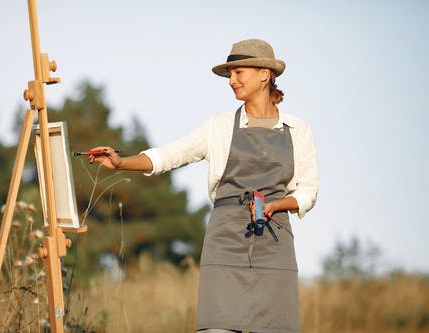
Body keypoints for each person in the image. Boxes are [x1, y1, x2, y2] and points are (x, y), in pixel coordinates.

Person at [89, 39, 318, 333]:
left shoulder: (298, 130)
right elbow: (171, 154)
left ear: (264, 73)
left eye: (238, 72)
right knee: (217, 327)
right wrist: (122, 164)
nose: (232, 80)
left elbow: (308, 191)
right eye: (230, 75)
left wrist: (276, 205)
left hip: (275, 243)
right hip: (225, 242)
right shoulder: (218, 126)